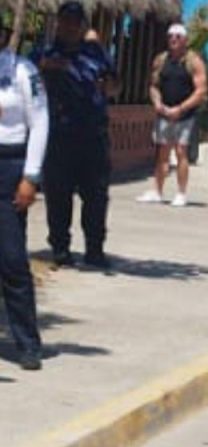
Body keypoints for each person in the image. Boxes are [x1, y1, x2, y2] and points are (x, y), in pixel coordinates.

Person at [34, 1, 120, 269]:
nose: (70, 26)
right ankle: (60, 248)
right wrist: (47, 66)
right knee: (58, 195)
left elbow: (115, 85)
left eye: (75, 21)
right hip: (58, 135)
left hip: (93, 135)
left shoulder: (95, 52)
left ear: (82, 25)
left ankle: (95, 249)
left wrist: (109, 86)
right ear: (58, 23)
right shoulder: (44, 52)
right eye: (65, 21)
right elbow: (27, 78)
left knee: (96, 196)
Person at [0, 20, 48, 370]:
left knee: (12, 260)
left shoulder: (22, 71)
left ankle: (28, 343)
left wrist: (31, 176)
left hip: (9, 165)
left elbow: (40, 122)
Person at [138, 23, 207, 207]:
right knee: (162, 153)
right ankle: (157, 191)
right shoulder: (161, 60)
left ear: (185, 40)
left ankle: (181, 193)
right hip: (164, 113)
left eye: (177, 36)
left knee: (181, 151)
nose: (173, 39)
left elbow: (201, 91)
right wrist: (157, 103)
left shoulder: (194, 62)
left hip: (185, 115)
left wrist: (181, 109)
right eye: (170, 36)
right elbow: (154, 86)